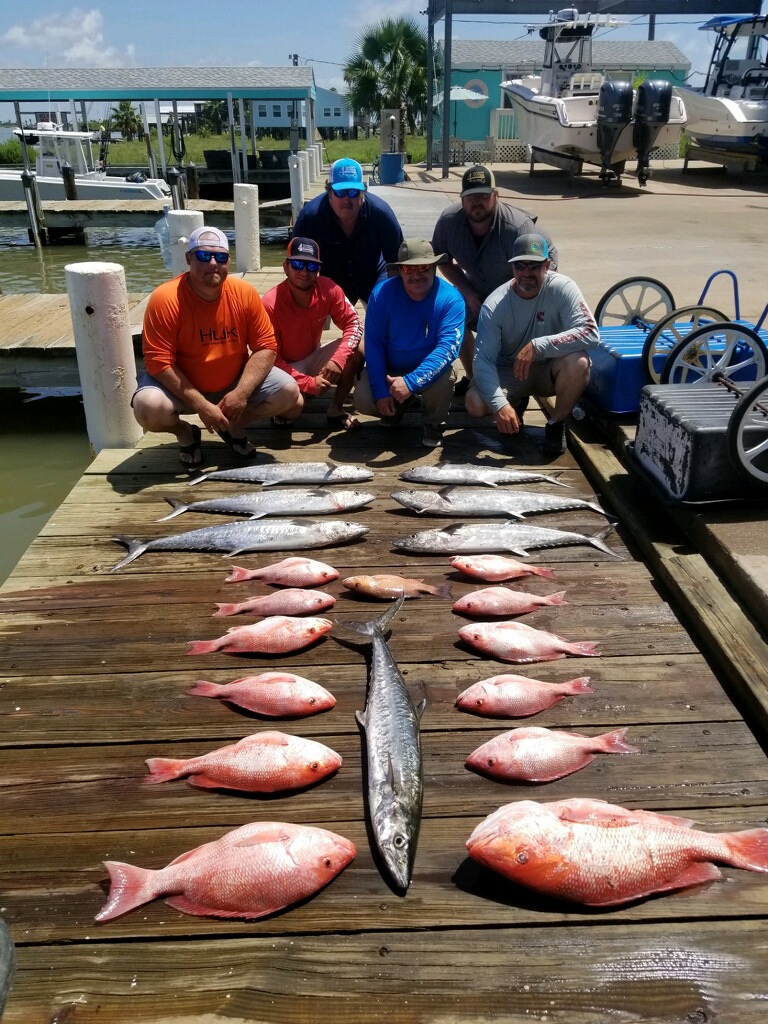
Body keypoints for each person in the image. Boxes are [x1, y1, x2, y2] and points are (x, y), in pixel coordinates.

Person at [132, 226, 300, 468]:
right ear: (188, 258)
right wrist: (201, 405)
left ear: (228, 262)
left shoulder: (244, 293)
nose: (213, 263)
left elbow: (266, 347)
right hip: (183, 386)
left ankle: (234, 425)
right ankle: (185, 433)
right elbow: (158, 363)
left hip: (233, 382)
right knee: (147, 408)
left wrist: (241, 393)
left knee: (289, 394)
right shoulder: (165, 298)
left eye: (220, 257)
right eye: (203, 256)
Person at [466, 233, 598, 458]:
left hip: (550, 368)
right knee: (475, 403)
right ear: (512, 267)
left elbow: (591, 333)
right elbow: (483, 361)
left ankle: (556, 423)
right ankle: (514, 403)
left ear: (547, 265)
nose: (527, 273)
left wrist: (539, 345)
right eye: (520, 265)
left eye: (534, 266)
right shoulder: (494, 305)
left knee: (580, 362)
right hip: (509, 371)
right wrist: (499, 405)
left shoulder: (564, 288)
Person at [431, 164, 558, 392]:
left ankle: (518, 383)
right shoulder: (448, 222)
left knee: (515, 323)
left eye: (483, 195)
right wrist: (468, 292)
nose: (476, 202)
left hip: (530, 272)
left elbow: (530, 274)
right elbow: (441, 259)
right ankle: (475, 378)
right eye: (470, 196)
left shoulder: (517, 228)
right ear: (462, 199)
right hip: (481, 283)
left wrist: (501, 306)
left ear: (496, 196)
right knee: (454, 317)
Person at [352, 238, 465, 448]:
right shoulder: (381, 294)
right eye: (409, 268)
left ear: (434, 268)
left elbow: (448, 349)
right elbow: (374, 345)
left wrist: (410, 382)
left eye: (423, 267)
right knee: (363, 398)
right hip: (391, 369)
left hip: (430, 369)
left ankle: (433, 423)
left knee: (446, 378)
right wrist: (381, 392)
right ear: (399, 271)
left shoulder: (451, 299)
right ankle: (399, 405)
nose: (416, 274)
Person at [261, 237, 364, 431]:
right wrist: (308, 383)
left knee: (358, 348)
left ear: (318, 270)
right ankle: (293, 399)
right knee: (294, 408)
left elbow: (354, 323)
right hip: (282, 366)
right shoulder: (269, 303)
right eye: (298, 264)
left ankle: (336, 408)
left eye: (311, 266)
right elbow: (269, 358)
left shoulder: (328, 288)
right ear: (285, 266)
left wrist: (338, 360)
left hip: (313, 357)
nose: (304, 272)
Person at [291, 158, 404, 305]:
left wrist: (391, 302)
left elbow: (397, 262)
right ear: (329, 194)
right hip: (328, 279)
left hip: (373, 276)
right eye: (340, 192)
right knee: (304, 309)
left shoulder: (381, 214)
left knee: (388, 308)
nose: (346, 199)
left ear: (363, 195)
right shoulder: (310, 217)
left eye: (353, 192)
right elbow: (295, 262)